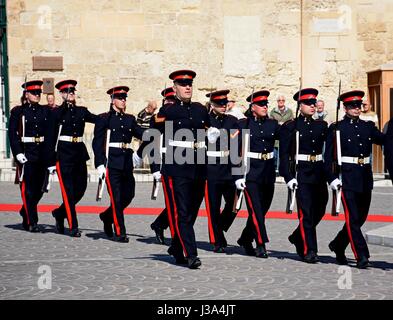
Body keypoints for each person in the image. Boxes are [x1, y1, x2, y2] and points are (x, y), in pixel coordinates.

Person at [149, 69, 219, 269]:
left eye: (189, 84)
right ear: (175, 88)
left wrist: (213, 133)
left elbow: (210, 128)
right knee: (181, 213)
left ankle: (178, 248)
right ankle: (191, 254)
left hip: (198, 167)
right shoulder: (168, 111)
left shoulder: (199, 109)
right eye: (182, 84)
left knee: (192, 213)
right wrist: (143, 157)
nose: (187, 87)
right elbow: (153, 134)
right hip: (176, 167)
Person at [325, 90, 385, 268]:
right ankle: (362, 255)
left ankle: (337, 244)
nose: (356, 109)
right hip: (347, 178)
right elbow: (329, 157)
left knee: (360, 218)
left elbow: (384, 140)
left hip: (364, 177)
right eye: (352, 106)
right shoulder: (337, 128)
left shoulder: (368, 127)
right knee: (352, 218)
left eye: (358, 105)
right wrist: (332, 178)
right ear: (345, 108)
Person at [279, 88, 328, 263]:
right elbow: (284, 155)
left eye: (314, 103)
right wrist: (288, 176)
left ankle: (297, 236)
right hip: (302, 173)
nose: (312, 106)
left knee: (320, 209)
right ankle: (310, 250)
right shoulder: (291, 127)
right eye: (308, 103)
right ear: (300, 106)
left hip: (318, 173)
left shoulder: (321, 126)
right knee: (306, 213)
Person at [92, 86, 146, 243]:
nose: (123, 100)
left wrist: (153, 132)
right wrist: (100, 164)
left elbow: (140, 133)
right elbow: (97, 143)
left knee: (128, 195)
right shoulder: (104, 119)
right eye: (120, 98)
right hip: (112, 162)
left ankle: (107, 216)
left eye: (125, 98)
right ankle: (120, 231)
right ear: (112, 100)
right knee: (116, 198)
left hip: (126, 161)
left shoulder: (130, 119)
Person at [48, 80, 98, 237]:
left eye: (72, 92)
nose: (71, 94)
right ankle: (73, 226)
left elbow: (98, 119)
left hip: (79, 153)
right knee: (68, 191)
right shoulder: (57, 113)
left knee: (81, 189)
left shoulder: (81, 111)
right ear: (62, 94)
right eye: (68, 92)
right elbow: (51, 137)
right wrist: (50, 161)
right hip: (64, 155)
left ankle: (59, 212)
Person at [234, 90, 280, 258]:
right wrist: (238, 176)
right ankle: (260, 243)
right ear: (252, 107)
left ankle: (245, 238)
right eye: (261, 104)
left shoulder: (272, 124)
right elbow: (235, 150)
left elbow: (287, 137)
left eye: (266, 104)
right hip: (250, 172)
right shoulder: (243, 124)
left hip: (268, 172)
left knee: (263, 209)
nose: (265, 107)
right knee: (256, 210)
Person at [8, 80, 53, 232]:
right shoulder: (18, 111)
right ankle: (32, 222)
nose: (37, 95)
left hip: (42, 153)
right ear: (26, 94)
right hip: (27, 153)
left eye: (39, 93)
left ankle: (25, 210)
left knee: (40, 188)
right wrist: (18, 152)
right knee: (28, 189)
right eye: (34, 93)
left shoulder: (45, 111)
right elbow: (12, 134)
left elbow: (50, 132)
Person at [204, 89, 239, 253]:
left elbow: (238, 143)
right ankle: (217, 240)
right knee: (213, 206)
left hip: (228, 167)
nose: (224, 106)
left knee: (234, 205)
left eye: (225, 103)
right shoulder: (205, 120)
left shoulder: (232, 121)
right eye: (220, 104)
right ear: (212, 105)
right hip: (210, 168)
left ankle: (220, 229)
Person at [148, 87, 176, 245]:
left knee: (183, 202)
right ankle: (175, 235)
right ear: (164, 102)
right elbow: (152, 143)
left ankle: (159, 224)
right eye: (169, 101)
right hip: (166, 163)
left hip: (183, 163)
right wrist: (155, 168)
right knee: (173, 201)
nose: (171, 103)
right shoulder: (158, 118)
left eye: (173, 100)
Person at [269, 95, 294, 174]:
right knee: (275, 156)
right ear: (277, 101)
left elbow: (291, 122)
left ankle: (283, 171)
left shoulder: (289, 111)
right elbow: (272, 122)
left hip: (286, 137)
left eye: (282, 100)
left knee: (284, 156)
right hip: (276, 139)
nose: (281, 101)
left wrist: (283, 124)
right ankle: (275, 171)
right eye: (279, 100)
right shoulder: (273, 111)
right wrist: (279, 124)